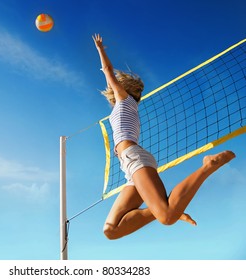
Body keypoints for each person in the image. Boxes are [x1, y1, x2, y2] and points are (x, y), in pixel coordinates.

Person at [92, 34, 236, 240]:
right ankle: (170, 209)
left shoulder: (124, 100)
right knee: (111, 230)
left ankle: (207, 166)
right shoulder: (126, 107)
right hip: (130, 165)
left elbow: (107, 71)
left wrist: (100, 49)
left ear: (123, 89)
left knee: (167, 217)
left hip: (134, 158)